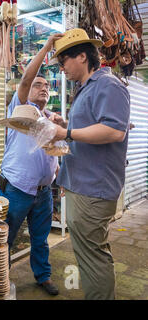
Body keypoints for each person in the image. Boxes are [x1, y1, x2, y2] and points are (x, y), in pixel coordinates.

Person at [50, 29, 130, 300]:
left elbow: (114, 131)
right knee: (87, 254)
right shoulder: (87, 88)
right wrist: (66, 125)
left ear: (82, 56)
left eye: (64, 62)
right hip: (81, 185)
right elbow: (92, 128)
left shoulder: (108, 85)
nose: (62, 69)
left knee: (93, 258)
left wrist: (68, 133)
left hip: (93, 189)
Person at [0, 33, 64, 296]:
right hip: (16, 189)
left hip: (43, 192)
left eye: (47, 86)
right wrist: (48, 46)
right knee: (4, 238)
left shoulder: (51, 118)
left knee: (40, 239)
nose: (43, 88)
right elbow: (26, 78)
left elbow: (58, 150)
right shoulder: (20, 110)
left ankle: (42, 276)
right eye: (39, 85)